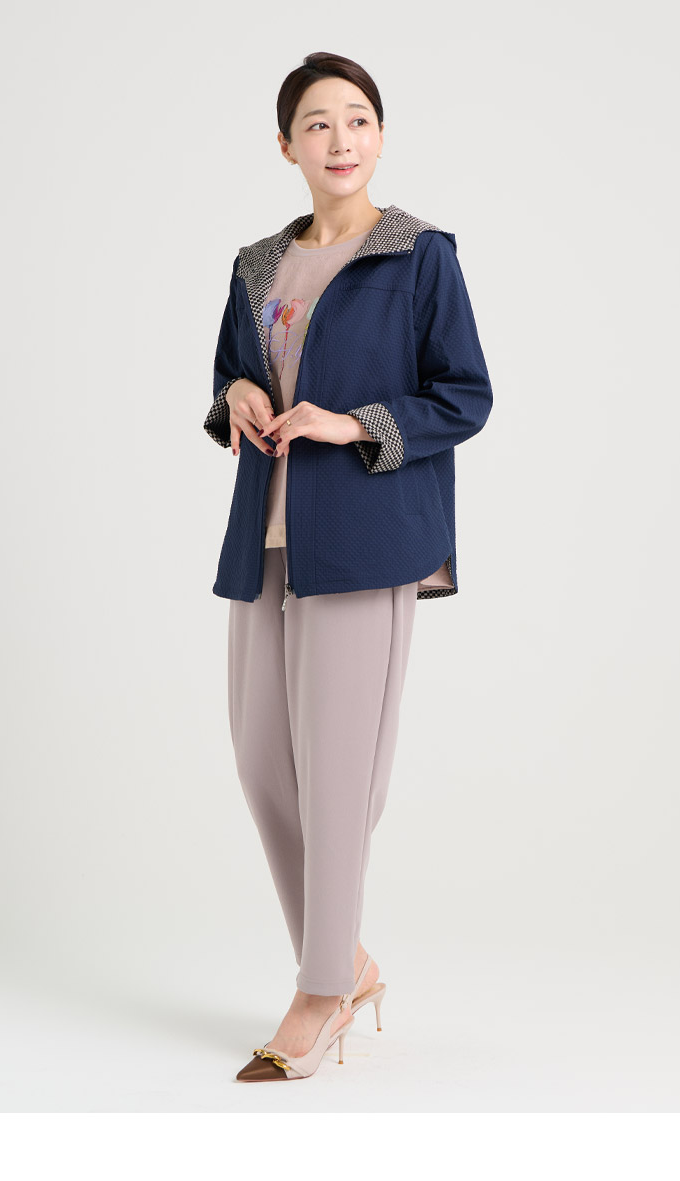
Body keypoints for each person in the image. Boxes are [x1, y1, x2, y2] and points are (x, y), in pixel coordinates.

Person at [205, 54, 492, 1080]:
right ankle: (349, 962)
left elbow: (464, 395)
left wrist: (353, 422)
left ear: (380, 135)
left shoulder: (419, 256)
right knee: (262, 765)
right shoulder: (257, 265)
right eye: (318, 123)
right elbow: (233, 376)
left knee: (336, 777)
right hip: (267, 537)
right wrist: (237, 395)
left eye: (358, 119)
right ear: (286, 145)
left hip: (365, 539)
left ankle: (321, 991)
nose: (340, 139)